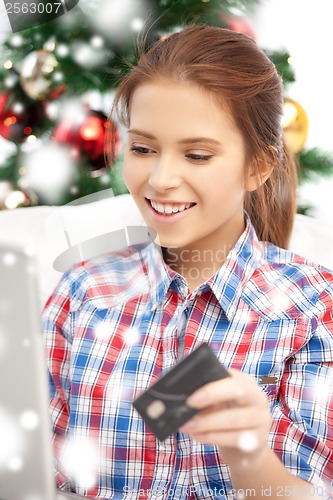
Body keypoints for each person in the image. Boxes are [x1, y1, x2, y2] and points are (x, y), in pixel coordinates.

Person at [42, 24, 333, 499]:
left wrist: (251, 457)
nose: (161, 179)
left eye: (197, 155)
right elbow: (34, 473)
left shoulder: (316, 308)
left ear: (258, 166)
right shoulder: (84, 293)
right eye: (142, 148)